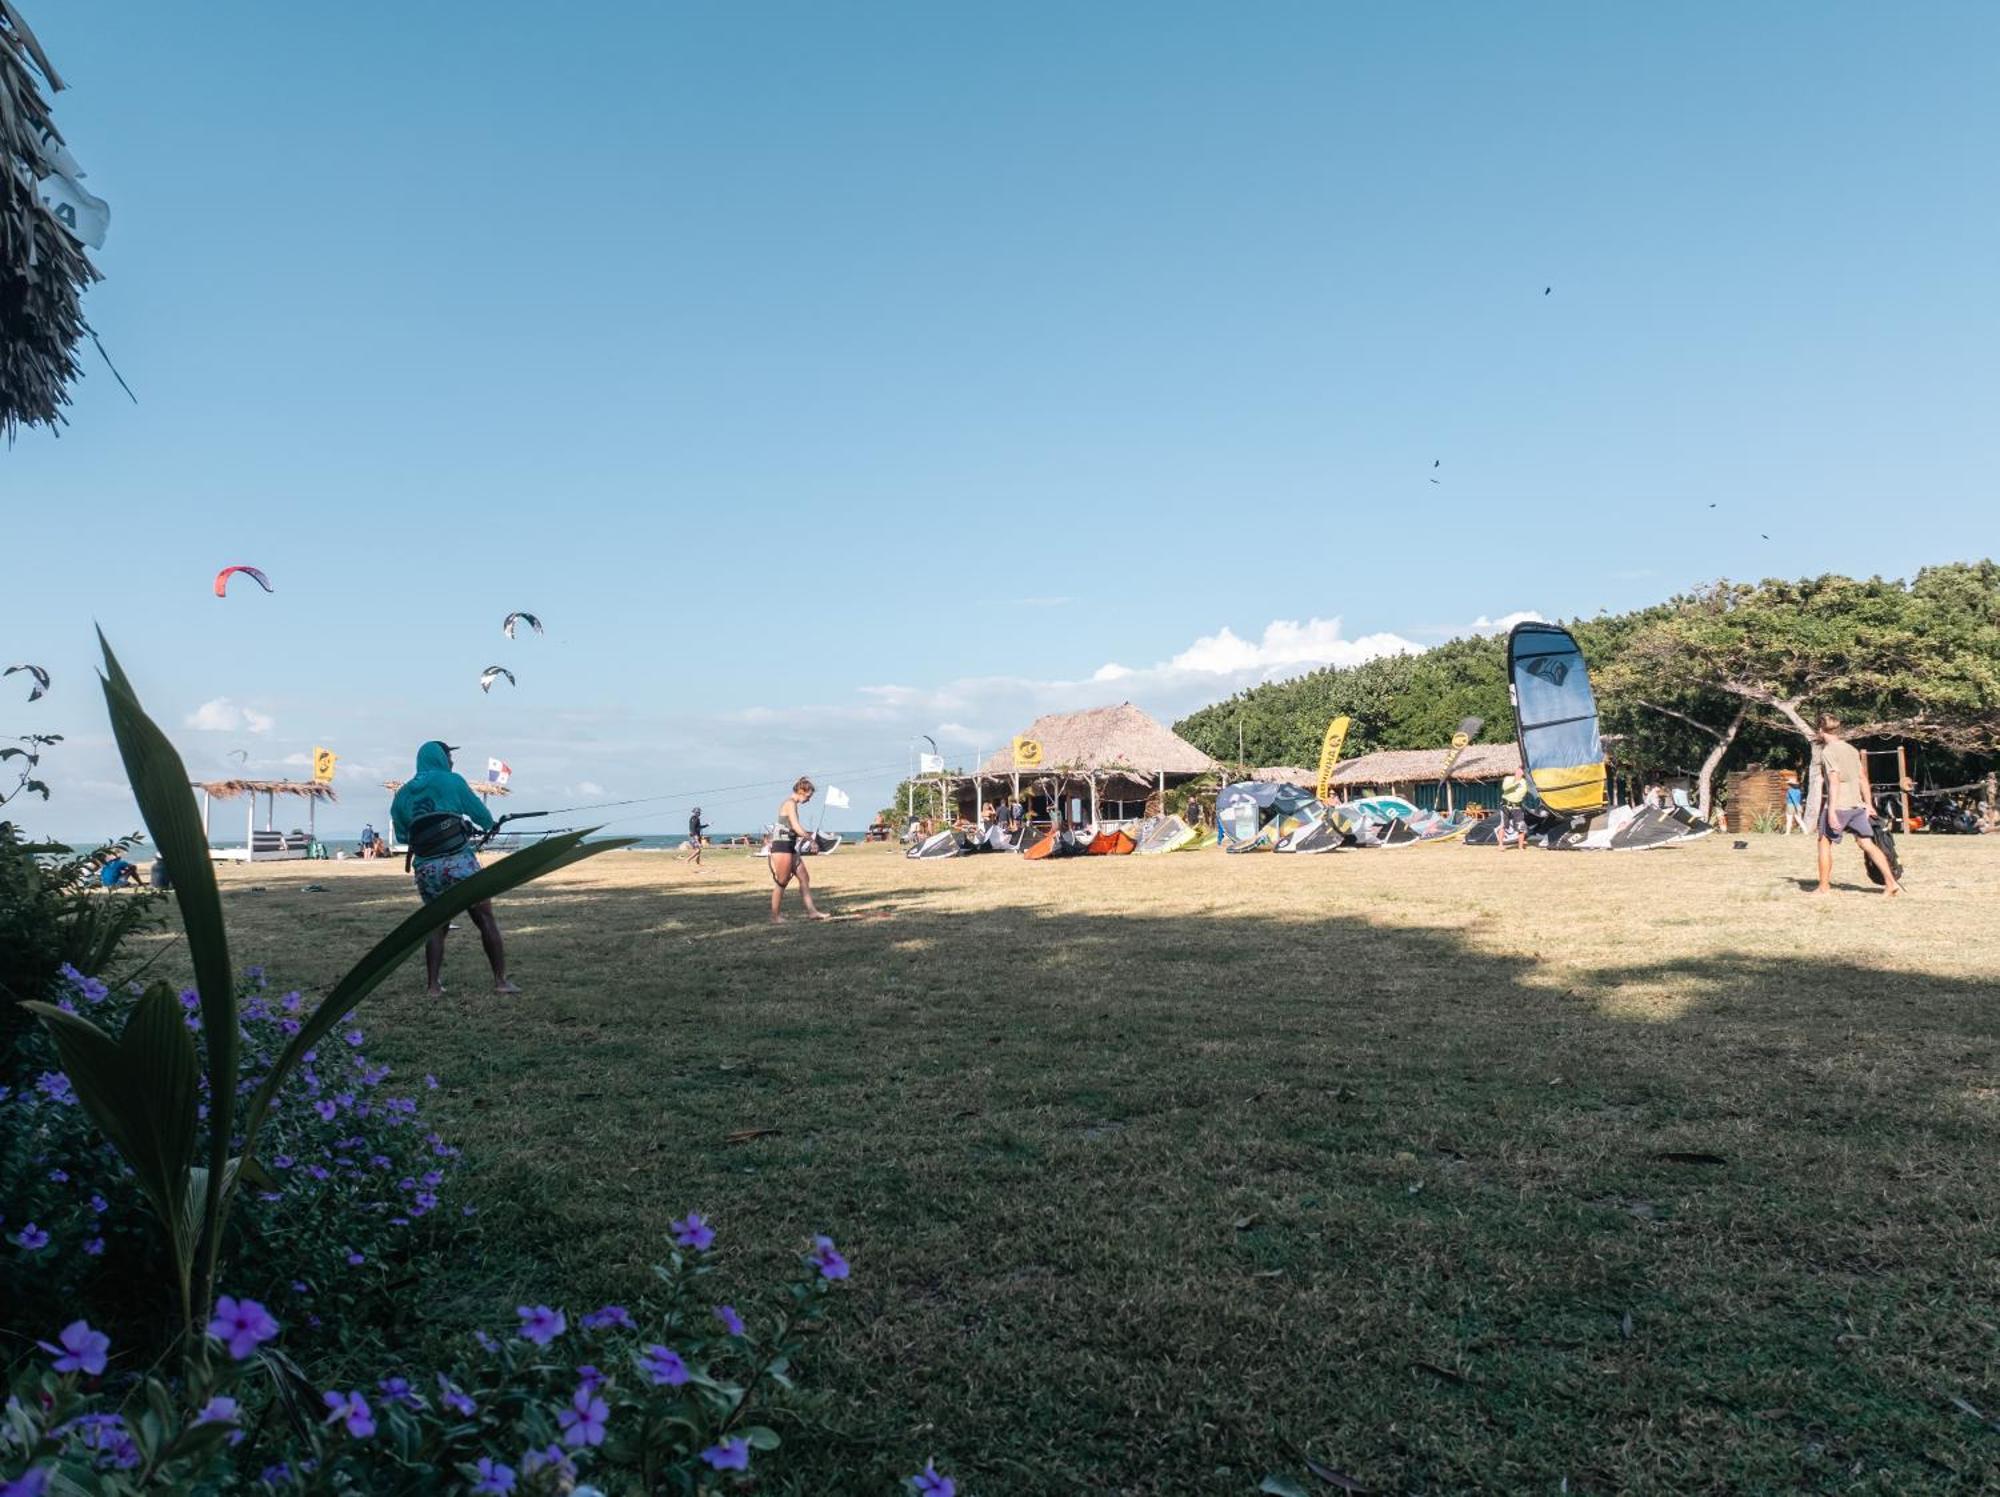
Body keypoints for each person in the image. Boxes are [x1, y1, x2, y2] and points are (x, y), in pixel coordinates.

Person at [390, 741, 520, 993]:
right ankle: (501, 981)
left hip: (427, 870)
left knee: (437, 924)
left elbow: (405, 837)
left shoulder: (403, 794)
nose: (452, 761)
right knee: (484, 918)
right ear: (440, 758)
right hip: (460, 863)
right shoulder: (453, 781)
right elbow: (481, 815)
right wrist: (486, 824)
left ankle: (432, 986)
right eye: (449, 756)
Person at [1810, 715, 1900, 897]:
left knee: (1824, 843)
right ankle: (1891, 883)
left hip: (1840, 805)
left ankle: (1823, 887)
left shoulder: (1828, 752)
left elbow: (1834, 781)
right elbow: (1863, 778)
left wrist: (1832, 811)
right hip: (1857, 805)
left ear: (1820, 730)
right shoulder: (1851, 749)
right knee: (1866, 843)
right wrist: (1868, 804)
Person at [768, 776, 829, 923]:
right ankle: (775, 917)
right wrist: (811, 840)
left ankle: (812, 912)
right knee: (782, 882)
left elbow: (792, 829)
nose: (809, 800)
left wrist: (805, 836)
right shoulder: (790, 804)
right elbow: (795, 826)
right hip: (782, 848)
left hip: (790, 847)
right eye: (808, 796)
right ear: (801, 791)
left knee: (804, 878)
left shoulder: (792, 804)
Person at [1498, 772, 1530, 851]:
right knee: (1503, 826)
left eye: (1521, 771)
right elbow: (1505, 788)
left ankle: (1520, 847)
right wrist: (1516, 781)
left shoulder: (1524, 782)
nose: (1520, 773)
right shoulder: (1508, 778)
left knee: (1521, 827)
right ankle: (1500, 845)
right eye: (1518, 771)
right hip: (1506, 806)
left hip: (1517, 807)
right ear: (1515, 772)